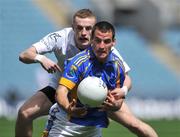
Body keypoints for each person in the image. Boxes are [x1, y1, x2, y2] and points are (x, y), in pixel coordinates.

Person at [17, 9, 158, 137]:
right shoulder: (60, 38)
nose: (84, 32)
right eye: (79, 28)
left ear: (94, 30)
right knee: (24, 113)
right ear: (73, 27)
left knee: (135, 124)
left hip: (97, 94)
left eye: (88, 28)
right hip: (62, 88)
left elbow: (126, 77)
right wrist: (41, 58)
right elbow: (24, 55)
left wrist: (122, 91)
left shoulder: (104, 47)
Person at [43, 21, 126, 137]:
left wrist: (115, 105)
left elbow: (118, 99)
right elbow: (60, 92)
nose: (102, 46)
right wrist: (69, 109)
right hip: (65, 124)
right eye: (98, 40)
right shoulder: (79, 62)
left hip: (92, 129)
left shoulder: (117, 67)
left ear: (113, 42)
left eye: (106, 41)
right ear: (92, 40)